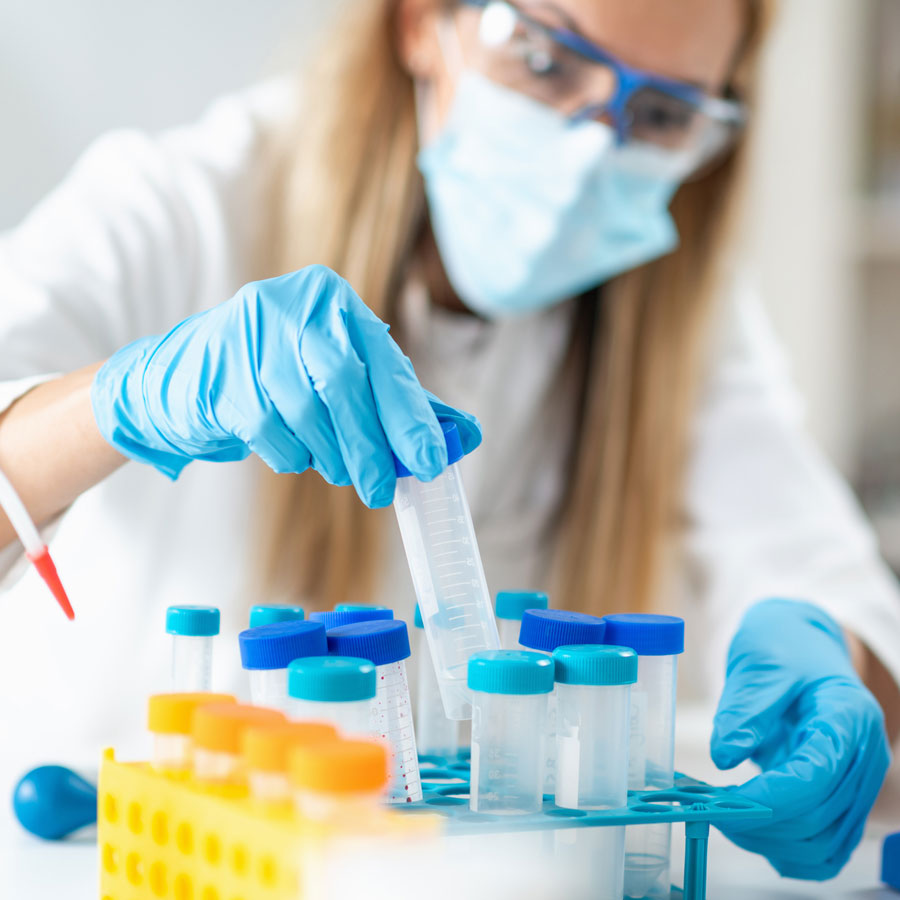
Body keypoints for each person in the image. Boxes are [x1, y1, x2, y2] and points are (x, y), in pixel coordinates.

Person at [0, 0, 897, 882]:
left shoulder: (678, 309)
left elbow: (816, 572)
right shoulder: (178, 207)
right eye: (546, 59)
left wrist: (834, 660)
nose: (590, 149)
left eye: (661, 113)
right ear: (422, 22)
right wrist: (115, 403)